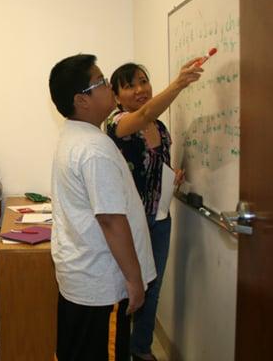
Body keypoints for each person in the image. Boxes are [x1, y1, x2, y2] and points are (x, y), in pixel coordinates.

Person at [48, 53, 157, 361]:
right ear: (81, 100)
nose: (110, 85)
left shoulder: (74, 136)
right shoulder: (94, 148)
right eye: (102, 81)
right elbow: (111, 220)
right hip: (102, 285)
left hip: (83, 277)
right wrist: (134, 280)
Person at [106, 60, 203, 361]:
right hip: (128, 224)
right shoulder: (116, 122)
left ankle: (141, 348)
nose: (140, 90)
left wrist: (170, 177)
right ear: (116, 95)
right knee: (126, 290)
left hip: (160, 219)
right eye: (130, 85)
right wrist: (179, 83)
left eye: (143, 81)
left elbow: (153, 168)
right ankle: (119, 350)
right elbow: (145, 112)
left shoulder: (159, 126)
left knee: (154, 288)